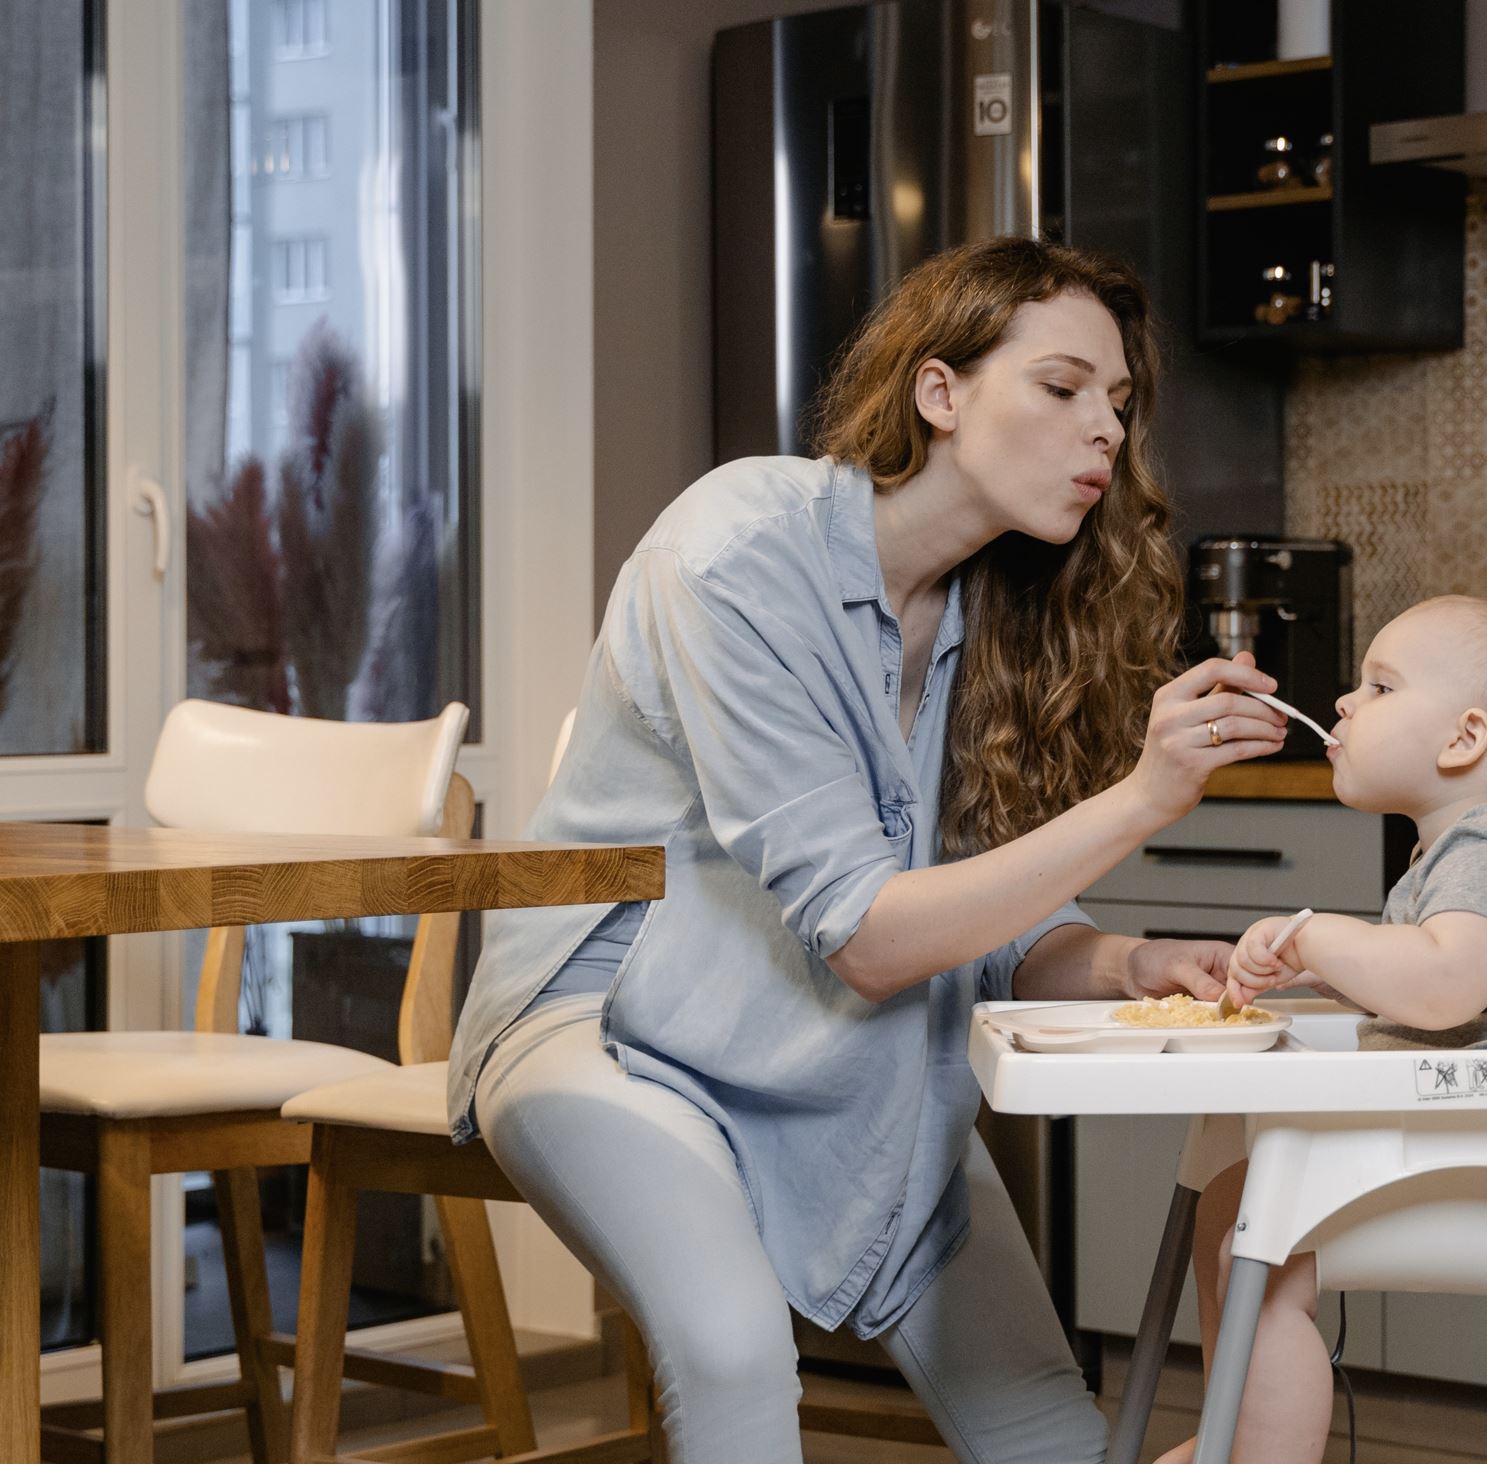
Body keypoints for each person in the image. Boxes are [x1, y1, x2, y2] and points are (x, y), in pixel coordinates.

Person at [444, 236, 1292, 1464]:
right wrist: (1145, 799)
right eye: (1060, 389)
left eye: (1118, 404)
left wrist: (1131, 961)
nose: (1104, 431)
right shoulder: (736, 551)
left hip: (857, 1055)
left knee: (1054, 1437)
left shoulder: (1002, 613)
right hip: (616, 1030)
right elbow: (871, 937)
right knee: (736, 1359)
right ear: (939, 394)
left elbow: (977, 922)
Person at [1156, 595, 1487, 1464]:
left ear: (1463, 740)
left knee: (1266, 1239)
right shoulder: (1461, 850)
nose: (1343, 703)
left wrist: (1321, 932)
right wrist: (1322, 969)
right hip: (1477, 1134)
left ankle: (1261, 1454)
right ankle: (1238, 1431)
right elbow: (1435, 983)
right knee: (1231, 1202)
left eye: (1380, 685)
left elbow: (1444, 988)